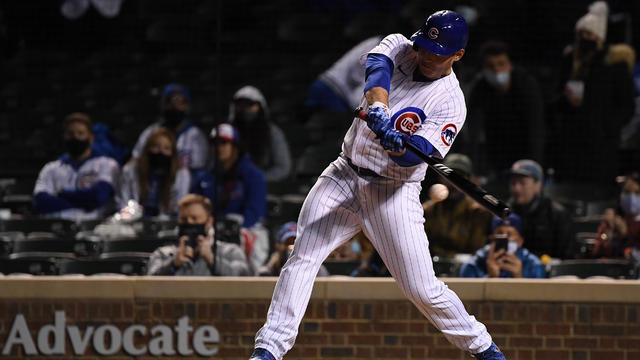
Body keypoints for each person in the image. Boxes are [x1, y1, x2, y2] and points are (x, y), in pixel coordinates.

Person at [249, 11, 505, 360]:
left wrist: (399, 146)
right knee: (302, 257)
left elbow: (415, 158)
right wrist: (381, 111)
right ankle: (268, 350)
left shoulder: (450, 102)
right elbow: (377, 71)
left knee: (422, 289)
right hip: (344, 173)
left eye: (437, 52)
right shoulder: (402, 45)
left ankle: (484, 348)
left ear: (458, 56)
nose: (426, 55)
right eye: (425, 47)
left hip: (393, 191)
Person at [548, 1, 635, 184]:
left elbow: (627, 105)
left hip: (601, 148)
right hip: (571, 145)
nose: (584, 39)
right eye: (580, 34)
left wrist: (608, 127)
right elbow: (554, 99)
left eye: (588, 34)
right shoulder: (570, 63)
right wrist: (564, 100)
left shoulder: (613, 65)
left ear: (598, 37)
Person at [191, 123, 269, 273]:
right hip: (213, 228)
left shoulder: (253, 175)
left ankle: (251, 278)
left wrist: (231, 228)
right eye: (214, 143)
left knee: (249, 237)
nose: (218, 147)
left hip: (247, 228)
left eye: (224, 143)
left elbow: (254, 213)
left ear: (235, 146)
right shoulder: (205, 178)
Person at [463, 40, 544, 175]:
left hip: (526, 149)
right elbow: (473, 132)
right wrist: (473, 171)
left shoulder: (527, 85)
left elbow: (536, 128)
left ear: (510, 65)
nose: (496, 70)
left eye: (501, 64)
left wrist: (535, 166)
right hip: (497, 152)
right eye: (490, 66)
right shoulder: (480, 89)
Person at [33, 112, 120, 220]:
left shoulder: (107, 165)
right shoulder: (51, 168)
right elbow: (40, 202)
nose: (75, 137)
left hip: (95, 228)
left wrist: (62, 194)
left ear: (91, 138)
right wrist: (84, 201)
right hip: (57, 227)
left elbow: (98, 197)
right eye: (70, 133)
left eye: (80, 133)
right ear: (64, 137)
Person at [146, 194, 250, 276]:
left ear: (209, 221)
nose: (189, 223)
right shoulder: (163, 254)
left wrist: (211, 259)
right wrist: (173, 264)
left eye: (194, 218)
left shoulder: (230, 252)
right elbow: (147, 284)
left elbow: (244, 277)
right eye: (184, 219)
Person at [423, 153, 493, 258]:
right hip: (431, 266)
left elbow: (477, 252)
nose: (453, 182)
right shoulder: (427, 210)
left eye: (459, 176)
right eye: (449, 175)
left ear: (468, 180)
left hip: (464, 270)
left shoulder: (478, 212)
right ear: (440, 177)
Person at [132, 83, 209, 171]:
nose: (175, 106)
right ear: (163, 104)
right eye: (170, 101)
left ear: (187, 106)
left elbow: (200, 168)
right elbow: (136, 159)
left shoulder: (196, 136)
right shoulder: (151, 132)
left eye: (180, 101)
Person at [117, 127, 190, 218]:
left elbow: (180, 208)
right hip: (134, 222)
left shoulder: (182, 174)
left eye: (166, 148)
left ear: (173, 153)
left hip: (168, 224)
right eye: (155, 146)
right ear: (147, 148)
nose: (160, 151)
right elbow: (123, 202)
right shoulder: (131, 169)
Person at [508, 159, 572, 259]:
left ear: (538, 185)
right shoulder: (506, 212)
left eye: (522, 183)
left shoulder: (557, 214)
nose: (516, 188)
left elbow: (566, 255)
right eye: (513, 183)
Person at [228, 85, 292, 182]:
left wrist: (258, 178)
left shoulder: (273, 132)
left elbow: (283, 167)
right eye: (241, 105)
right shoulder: (228, 131)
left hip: (265, 185)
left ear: (260, 107)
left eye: (250, 105)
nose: (245, 109)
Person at [304, 35, 383, 113]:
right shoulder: (381, 53)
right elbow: (356, 97)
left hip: (323, 83)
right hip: (336, 92)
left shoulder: (376, 41)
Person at [459, 214, 547, 278]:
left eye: (510, 234)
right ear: (491, 239)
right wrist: (491, 278)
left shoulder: (534, 266)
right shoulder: (473, 265)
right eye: (499, 233)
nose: (504, 237)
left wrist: (519, 279)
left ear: (520, 241)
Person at [591, 172, 640, 260]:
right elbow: (597, 254)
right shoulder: (612, 221)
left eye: (637, 193)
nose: (632, 197)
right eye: (627, 192)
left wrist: (625, 237)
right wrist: (608, 230)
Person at [257, 222, 330, 277]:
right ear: (277, 247)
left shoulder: (316, 271)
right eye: (288, 242)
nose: (292, 247)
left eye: (296, 243)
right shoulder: (266, 273)